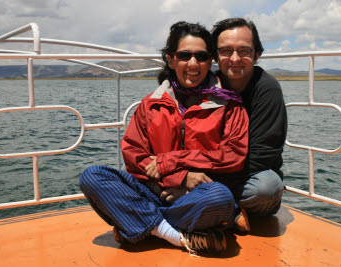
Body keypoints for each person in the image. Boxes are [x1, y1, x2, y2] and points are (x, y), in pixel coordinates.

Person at [79, 21, 249, 255]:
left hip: (197, 195)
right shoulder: (151, 104)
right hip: (155, 190)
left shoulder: (229, 105)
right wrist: (179, 179)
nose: (193, 64)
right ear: (170, 59)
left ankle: (138, 224)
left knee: (220, 197)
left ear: (210, 61)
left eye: (201, 56)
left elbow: (233, 156)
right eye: (184, 55)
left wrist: (172, 162)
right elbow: (133, 155)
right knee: (93, 176)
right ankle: (175, 235)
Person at [210, 18, 287, 221]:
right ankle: (226, 212)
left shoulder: (267, 90)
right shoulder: (207, 87)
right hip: (208, 173)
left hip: (245, 177)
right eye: (226, 51)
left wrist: (208, 185)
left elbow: (262, 156)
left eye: (244, 51)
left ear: (257, 55)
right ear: (216, 56)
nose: (235, 59)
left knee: (267, 188)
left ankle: (216, 207)